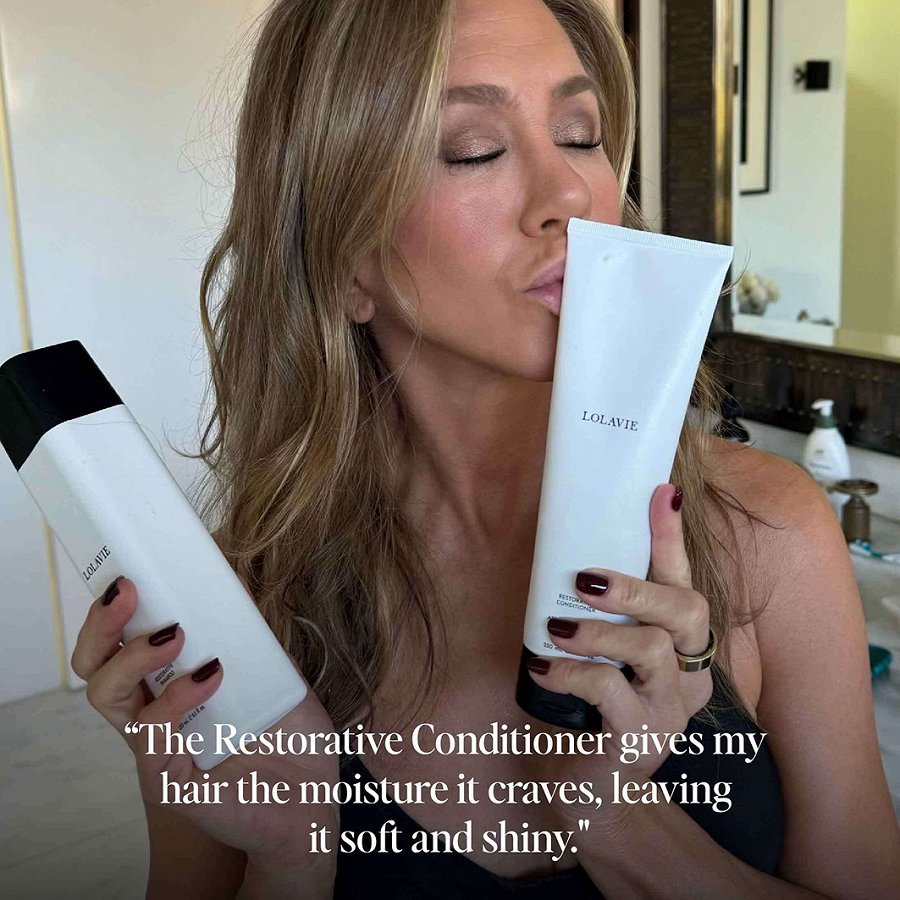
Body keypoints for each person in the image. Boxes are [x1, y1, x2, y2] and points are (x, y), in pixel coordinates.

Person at [71, 0, 900, 897]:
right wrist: (291, 858)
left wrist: (620, 823)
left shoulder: (767, 530)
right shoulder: (233, 605)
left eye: (580, 136)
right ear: (344, 262)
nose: (570, 196)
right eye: (474, 150)